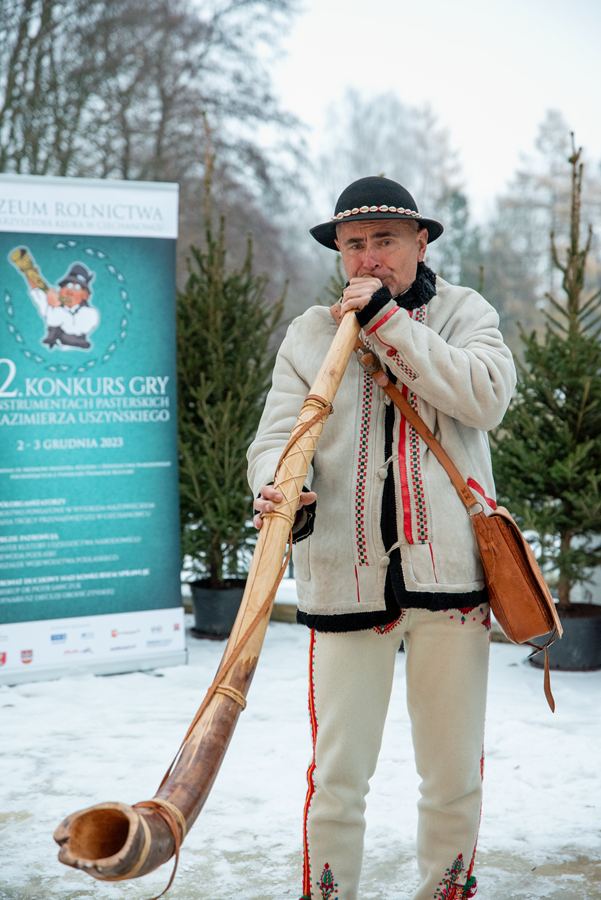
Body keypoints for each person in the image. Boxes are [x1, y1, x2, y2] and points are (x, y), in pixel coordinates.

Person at [247, 176, 516, 900]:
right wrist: (277, 484)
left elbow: (486, 397)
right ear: (339, 251)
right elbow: (276, 438)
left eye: (385, 241)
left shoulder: (463, 313)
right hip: (344, 576)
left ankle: (444, 892)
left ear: (420, 242)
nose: (368, 258)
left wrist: (389, 323)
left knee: (452, 775)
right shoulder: (310, 333)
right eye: (354, 244)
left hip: (452, 580)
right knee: (337, 776)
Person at [27, 262, 99, 349]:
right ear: (61, 290)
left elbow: (72, 327)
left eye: (76, 288)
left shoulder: (90, 313)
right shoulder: (57, 306)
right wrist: (34, 281)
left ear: (85, 295)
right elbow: (42, 301)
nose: (70, 291)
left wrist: (56, 306)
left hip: (77, 351)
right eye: (68, 286)